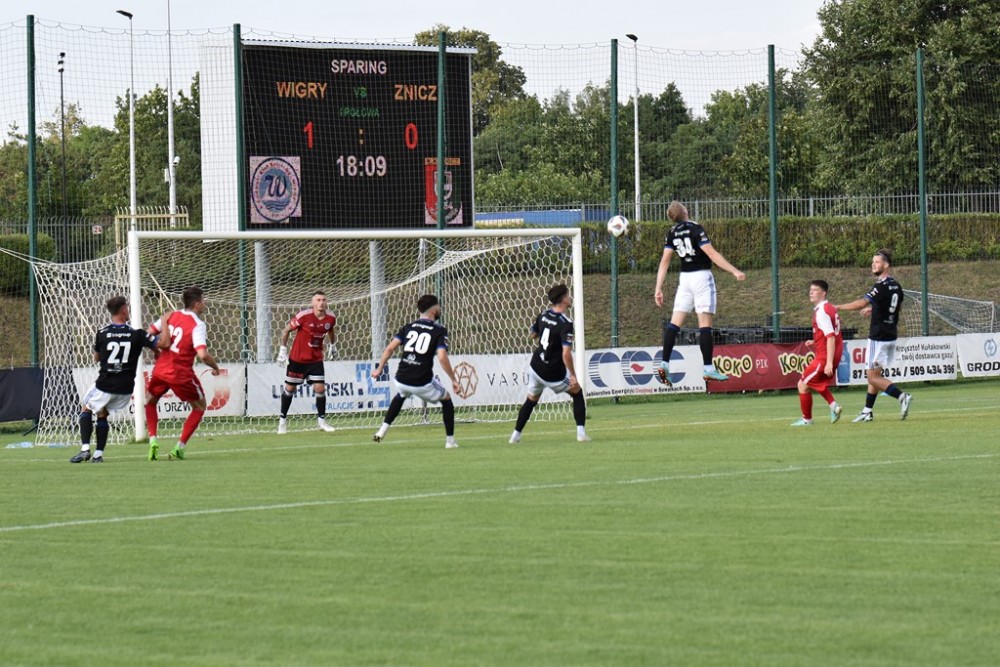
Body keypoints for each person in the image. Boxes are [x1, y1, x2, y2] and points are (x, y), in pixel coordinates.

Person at [653, 200, 747, 385]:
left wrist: (658, 288)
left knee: (674, 324)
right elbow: (712, 254)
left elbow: (664, 262)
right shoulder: (696, 228)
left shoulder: (671, 233)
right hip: (701, 278)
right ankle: (708, 369)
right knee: (705, 325)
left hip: (684, 280)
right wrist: (734, 270)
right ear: (685, 211)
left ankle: (664, 363)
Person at [70, 296, 160, 463]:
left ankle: (84, 450)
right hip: (126, 388)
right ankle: (98, 455)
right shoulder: (137, 334)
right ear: (124, 310)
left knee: (86, 409)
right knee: (102, 413)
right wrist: (158, 346)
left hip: (106, 384)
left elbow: (96, 358)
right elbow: (159, 344)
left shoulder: (102, 333)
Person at [370, 294, 461, 449]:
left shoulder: (408, 326)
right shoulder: (439, 330)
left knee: (401, 394)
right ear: (433, 310)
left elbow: (390, 348)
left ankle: (382, 430)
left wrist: (379, 368)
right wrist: (453, 379)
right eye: (438, 306)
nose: (440, 309)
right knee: (446, 399)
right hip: (421, 382)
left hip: (401, 378)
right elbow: (442, 357)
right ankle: (450, 441)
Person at [145, 286, 221, 460]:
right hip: (180, 373)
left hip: (160, 370)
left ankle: (153, 440)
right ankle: (179, 447)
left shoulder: (170, 316)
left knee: (149, 402)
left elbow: (148, 334)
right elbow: (202, 354)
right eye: (203, 301)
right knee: (200, 406)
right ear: (197, 304)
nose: (205, 304)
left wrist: (156, 349)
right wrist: (215, 367)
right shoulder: (198, 325)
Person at [835, 249, 912, 422]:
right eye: (873, 262)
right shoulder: (896, 285)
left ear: (886, 265)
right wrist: (874, 309)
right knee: (875, 375)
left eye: (877, 262)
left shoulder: (880, 286)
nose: (873, 264)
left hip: (878, 336)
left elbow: (862, 302)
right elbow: (896, 307)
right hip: (890, 334)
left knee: (872, 377)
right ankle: (867, 411)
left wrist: (838, 307)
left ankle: (902, 397)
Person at [509, 283, 590, 444]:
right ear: (564, 299)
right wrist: (572, 375)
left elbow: (532, 334)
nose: (570, 297)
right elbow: (566, 354)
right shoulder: (566, 323)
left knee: (531, 400)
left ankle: (515, 436)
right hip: (553, 373)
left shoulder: (543, 314)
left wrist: (542, 331)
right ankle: (581, 433)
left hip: (535, 367)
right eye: (568, 295)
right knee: (577, 392)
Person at [276, 291, 338, 434]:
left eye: (324, 300)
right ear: (313, 302)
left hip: (316, 359)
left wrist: (333, 346)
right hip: (298, 359)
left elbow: (330, 331)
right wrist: (282, 351)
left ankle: (322, 422)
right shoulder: (303, 316)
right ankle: (282, 422)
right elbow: (286, 330)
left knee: (320, 389)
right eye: (318, 300)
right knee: (290, 389)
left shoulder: (331, 318)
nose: (321, 302)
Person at [790, 280, 844, 426]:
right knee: (808, 384)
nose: (811, 292)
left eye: (815, 290)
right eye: (810, 290)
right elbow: (831, 333)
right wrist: (815, 341)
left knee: (803, 383)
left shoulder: (821, 312)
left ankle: (811, 418)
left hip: (825, 356)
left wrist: (828, 363)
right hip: (832, 353)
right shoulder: (830, 308)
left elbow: (831, 337)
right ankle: (832, 407)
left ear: (824, 293)